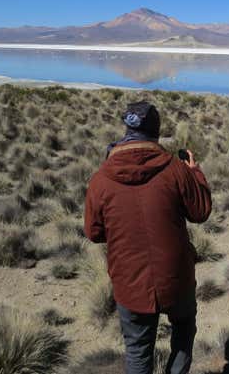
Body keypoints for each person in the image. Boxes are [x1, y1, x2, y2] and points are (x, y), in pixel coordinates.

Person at [84, 101, 212, 374]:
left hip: (129, 280)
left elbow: (94, 233)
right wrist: (195, 173)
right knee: (183, 329)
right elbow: (200, 212)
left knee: (138, 349)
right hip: (175, 277)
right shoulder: (176, 170)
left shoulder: (101, 179)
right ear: (156, 132)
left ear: (127, 130)